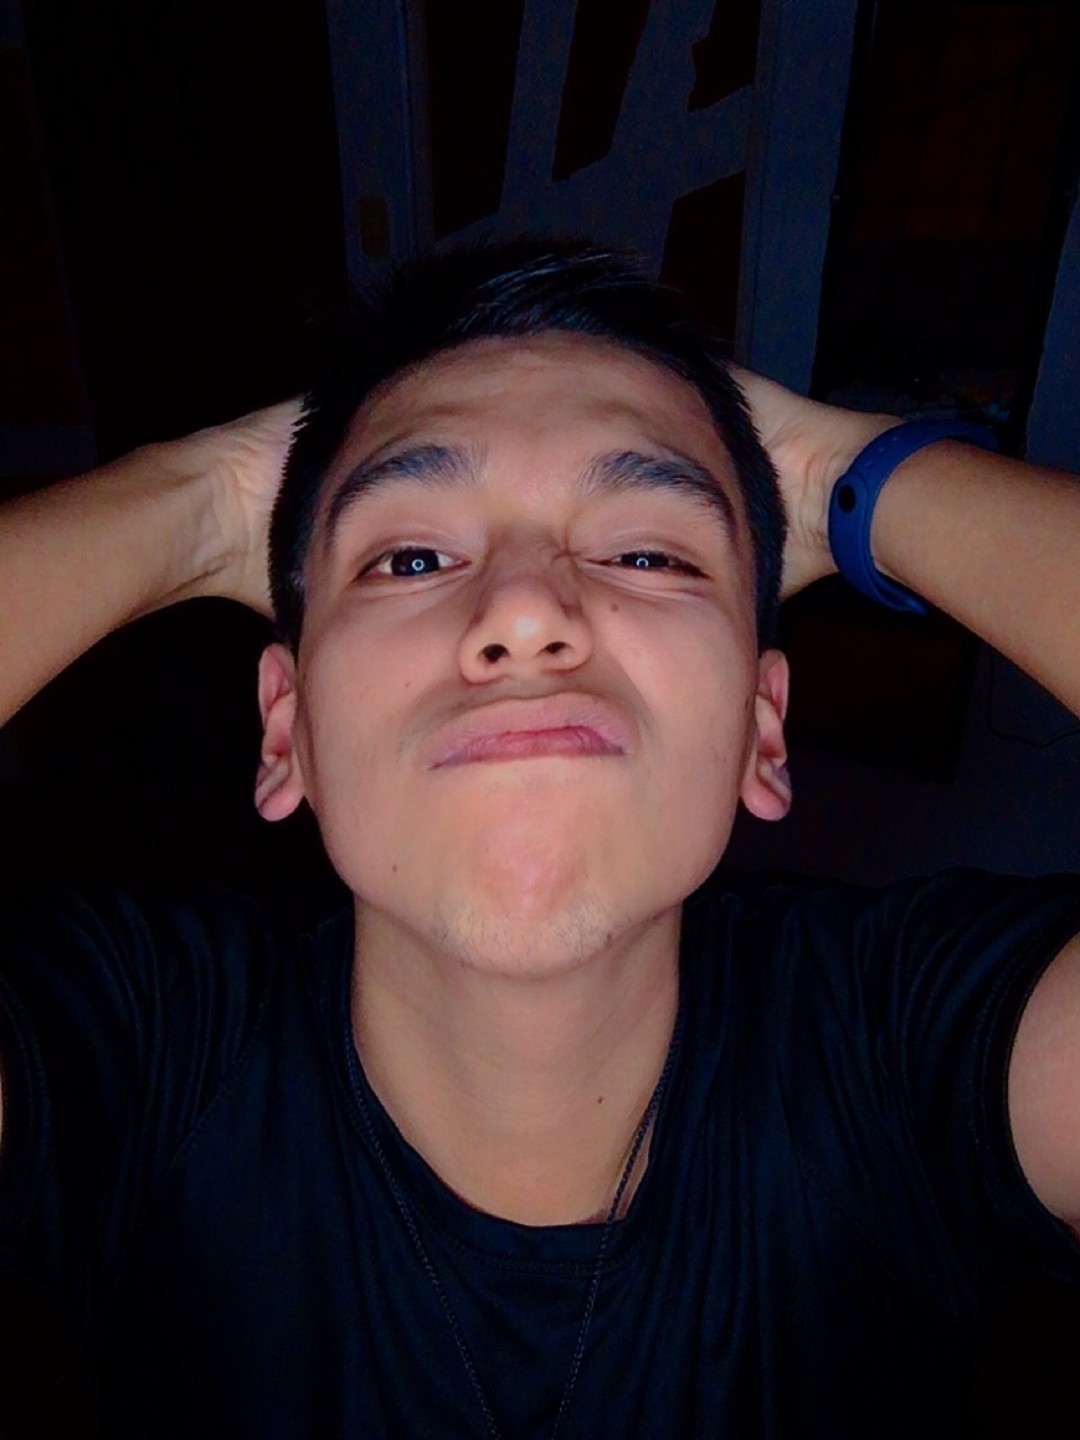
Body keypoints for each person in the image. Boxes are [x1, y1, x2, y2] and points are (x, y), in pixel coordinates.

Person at [1, 240, 1078, 1439]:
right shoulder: (142, 1056)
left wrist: (847, 478)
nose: (523, 611)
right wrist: (195, 502)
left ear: (760, 730)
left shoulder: (903, 1052)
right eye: (411, 557)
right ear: (287, 729)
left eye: (647, 552)